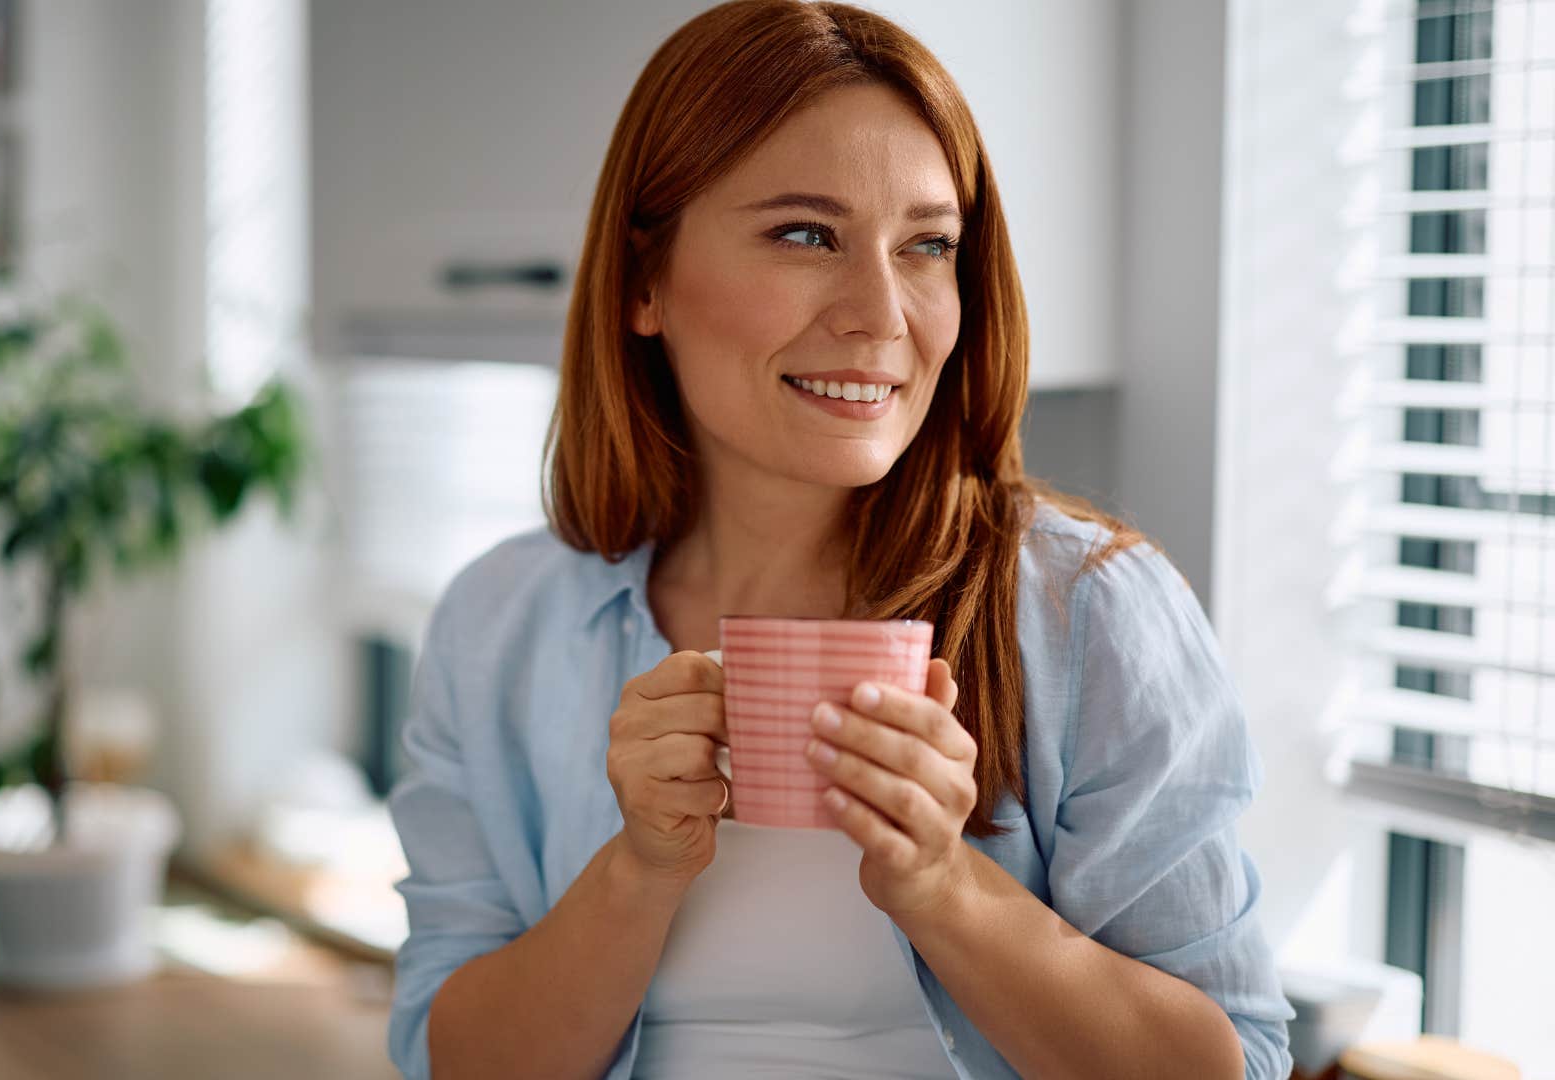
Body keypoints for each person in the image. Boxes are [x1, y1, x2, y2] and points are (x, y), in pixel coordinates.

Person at [384, 2, 1295, 1077]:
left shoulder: (1089, 610)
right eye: (805, 235)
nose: (881, 312)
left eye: (928, 246)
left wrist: (945, 886)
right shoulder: (503, 623)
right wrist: (638, 869)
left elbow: (1231, 1062)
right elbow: (456, 1062)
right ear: (643, 281)